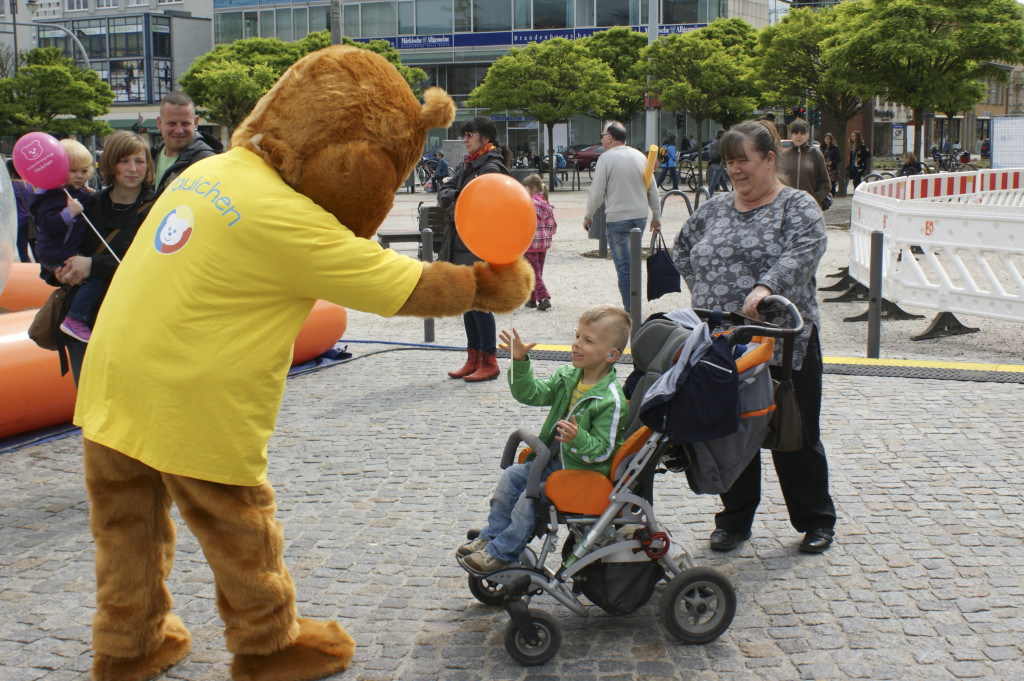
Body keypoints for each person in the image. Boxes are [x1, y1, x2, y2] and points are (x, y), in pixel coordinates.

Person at [672, 119, 837, 555]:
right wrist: (704, 291)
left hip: (783, 345)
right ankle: (734, 520)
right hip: (722, 344)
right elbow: (682, 246)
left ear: (769, 159)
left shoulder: (796, 205)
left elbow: (805, 250)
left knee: (794, 435)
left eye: (743, 160)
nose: (735, 170)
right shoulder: (715, 207)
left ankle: (816, 520)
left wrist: (765, 287)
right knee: (729, 431)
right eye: (729, 162)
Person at [457, 305, 631, 575]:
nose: (576, 344)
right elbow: (531, 394)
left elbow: (602, 452)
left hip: (582, 472)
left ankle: (501, 553)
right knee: (512, 476)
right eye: (577, 336)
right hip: (553, 461)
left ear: (612, 354)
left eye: (587, 340)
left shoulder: (610, 400)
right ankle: (491, 536)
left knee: (531, 498)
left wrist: (578, 438)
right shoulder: (568, 376)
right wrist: (520, 363)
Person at [53, 132, 157, 381]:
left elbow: (153, 268)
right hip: (85, 324)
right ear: (111, 164)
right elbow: (58, 245)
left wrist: (93, 264)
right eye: (124, 161)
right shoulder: (88, 204)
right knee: (88, 405)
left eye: (139, 161)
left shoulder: (159, 208)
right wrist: (58, 271)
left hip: (133, 324)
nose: (133, 169)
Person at [437, 116, 513, 382]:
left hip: (479, 243)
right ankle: (474, 358)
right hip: (462, 241)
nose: (465, 139)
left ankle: (489, 361)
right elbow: (446, 189)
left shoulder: (491, 167)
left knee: (479, 302)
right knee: (467, 302)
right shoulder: (471, 164)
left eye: (469, 134)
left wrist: (456, 197)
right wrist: (456, 196)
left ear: (485, 137)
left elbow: (480, 202)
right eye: (464, 135)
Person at [583, 121, 661, 312]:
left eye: (602, 136)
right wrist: (656, 216)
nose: (601, 140)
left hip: (617, 218)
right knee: (634, 266)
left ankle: (631, 312)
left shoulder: (606, 159)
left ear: (609, 137)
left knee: (625, 269)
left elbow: (597, 192)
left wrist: (588, 215)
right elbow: (652, 189)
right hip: (640, 216)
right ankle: (634, 307)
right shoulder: (640, 156)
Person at [30, 139, 98, 342]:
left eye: (84, 171)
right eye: (73, 171)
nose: (80, 176)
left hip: (62, 253)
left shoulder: (74, 192)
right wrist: (69, 213)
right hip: (57, 255)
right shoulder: (53, 196)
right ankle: (75, 319)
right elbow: (48, 225)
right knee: (93, 280)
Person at [152, 91, 223, 195]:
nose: (179, 130)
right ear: (159, 123)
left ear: (195, 122)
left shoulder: (207, 162)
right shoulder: (150, 158)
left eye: (185, 123)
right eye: (172, 124)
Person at [776, 119, 831, 210]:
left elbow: (826, 184)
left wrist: (814, 200)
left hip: (810, 208)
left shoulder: (815, 154)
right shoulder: (783, 156)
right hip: (788, 209)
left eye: (802, 133)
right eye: (795, 133)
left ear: (807, 135)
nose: (799, 136)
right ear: (791, 135)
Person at [521, 173, 557, 311]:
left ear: (533, 188)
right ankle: (531, 299)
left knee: (533, 273)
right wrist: (548, 235)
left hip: (531, 243)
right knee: (537, 272)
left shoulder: (527, 203)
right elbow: (553, 225)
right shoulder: (546, 204)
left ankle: (543, 298)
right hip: (543, 243)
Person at [8, 159, 37, 263]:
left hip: (19, 222)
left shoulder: (11, 185)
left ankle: (29, 271)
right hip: (31, 221)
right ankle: (42, 270)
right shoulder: (29, 184)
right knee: (35, 248)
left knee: (23, 250)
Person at [706, 129, 729, 195]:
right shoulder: (721, 142)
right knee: (715, 179)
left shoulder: (714, 141)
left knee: (720, 178)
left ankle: (726, 190)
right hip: (719, 163)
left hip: (713, 162)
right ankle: (709, 193)